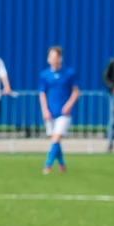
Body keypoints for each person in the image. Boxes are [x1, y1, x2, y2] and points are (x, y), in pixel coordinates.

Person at [37, 46, 79, 174]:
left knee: (56, 138)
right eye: (51, 57)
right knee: (55, 140)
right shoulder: (45, 75)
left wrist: (69, 105)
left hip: (64, 113)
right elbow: (42, 93)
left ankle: (47, 165)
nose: (53, 59)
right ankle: (61, 164)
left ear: (60, 58)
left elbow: (76, 92)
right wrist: (44, 110)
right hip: (51, 112)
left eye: (55, 57)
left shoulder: (69, 73)